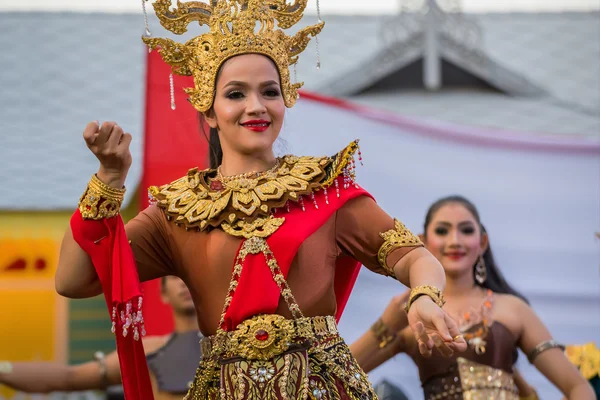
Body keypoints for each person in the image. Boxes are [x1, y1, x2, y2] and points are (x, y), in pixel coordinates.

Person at [54, 1, 468, 399]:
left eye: (269, 92)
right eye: (235, 94)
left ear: (285, 98)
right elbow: (75, 280)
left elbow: (415, 257)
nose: (256, 107)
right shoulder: (177, 211)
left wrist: (424, 297)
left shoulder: (325, 188)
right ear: (209, 109)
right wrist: (109, 179)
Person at [350, 195, 594, 399]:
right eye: (442, 231)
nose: (455, 241)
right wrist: (386, 327)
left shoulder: (512, 308)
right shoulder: (410, 314)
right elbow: (332, 376)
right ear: (421, 242)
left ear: (482, 242)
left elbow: (577, 386)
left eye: (466, 230)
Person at [0, 276, 202, 399]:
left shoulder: (231, 347)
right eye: (176, 278)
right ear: (164, 294)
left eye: (190, 276)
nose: (184, 284)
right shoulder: (149, 352)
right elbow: (70, 377)